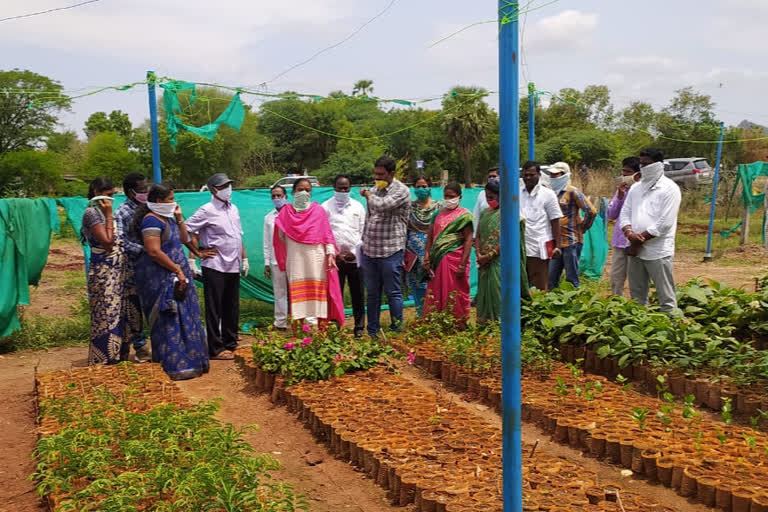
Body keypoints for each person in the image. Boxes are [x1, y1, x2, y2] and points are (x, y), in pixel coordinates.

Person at [132, 184, 209, 380]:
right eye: (170, 199)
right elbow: (153, 251)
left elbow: (184, 238)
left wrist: (179, 217)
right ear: (158, 201)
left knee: (187, 316)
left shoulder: (168, 218)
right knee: (169, 319)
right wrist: (176, 269)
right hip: (161, 277)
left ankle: (192, 361)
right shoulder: (150, 220)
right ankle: (173, 365)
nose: (173, 202)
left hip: (178, 275)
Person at [185, 173, 248, 361]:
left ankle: (230, 341)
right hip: (215, 264)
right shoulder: (206, 210)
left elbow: (238, 235)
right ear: (213, 190)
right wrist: (197, 253)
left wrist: (244, 258)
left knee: (232, 305)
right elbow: (186, 230)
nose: (227, 189)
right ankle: (215, 347)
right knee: (215, 307)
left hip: (233, 263)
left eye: (229, 185)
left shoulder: (233, 209)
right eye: (223, 186)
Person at [273, 178, 345, 327]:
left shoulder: (318, 211)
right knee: (298, 298)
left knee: (318, 297)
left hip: (316, 260)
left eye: (307, 190)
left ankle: (321, 332)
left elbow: (327, 235)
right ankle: (299, 333)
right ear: (293, 192)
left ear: (311, 193)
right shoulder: (285, 212)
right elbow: (280, 237)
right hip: (295, 259)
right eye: (300, 189)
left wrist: (331, 254)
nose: (304, 192)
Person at [620, 148, 681, 313]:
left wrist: (639, 239)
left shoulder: (670, 189)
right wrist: (629, 233)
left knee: (666, 296)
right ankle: (640, 328)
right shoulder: (636, 188)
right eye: (641, 163)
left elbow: (664, 223)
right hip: (635, 249)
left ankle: (671, 328)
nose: (643, 167)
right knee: (637, 296)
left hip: (657, 250)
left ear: (658, 165)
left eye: (647, 164)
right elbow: (624, 214)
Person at [360, 156, 411, 336]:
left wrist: (368, 195)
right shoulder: (376, 189)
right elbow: (370, 216)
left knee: (393, 292)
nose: (378, 177)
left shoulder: (401, 191)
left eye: (381, 174)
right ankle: (373, 330)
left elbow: (381, 206)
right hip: (371, 250)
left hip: (391, 249)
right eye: (376, 174)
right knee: (372, 293)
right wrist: (363, 242)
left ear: (391, 173)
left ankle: (396, 328)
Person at [81, 177, 130, 365]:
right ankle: (104, 360)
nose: (110, 200)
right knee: (106, 314)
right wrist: (109, 215)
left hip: (117, 272)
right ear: (96, 192)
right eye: (107, 195)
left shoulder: (105, 212)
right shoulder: (92, 213)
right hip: (103, 273)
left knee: (119, 314)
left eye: (112, 195)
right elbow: (108, 243)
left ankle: (119, 356)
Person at [113, 172, 151, 363]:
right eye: (142, 190)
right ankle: (140, 346)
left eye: (147, 189)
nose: (146, 192)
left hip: (152, 265)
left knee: (154, 304)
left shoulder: (149, 207)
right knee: (133, 308)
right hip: (132, 267)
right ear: (130, 192)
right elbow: (119, 239)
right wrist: (142, 249)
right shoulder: (121, 212)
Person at [423, 183, 473, 326]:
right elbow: (430, 237)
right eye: (446, 196)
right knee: (436, 291)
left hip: (456, 261)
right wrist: (426, 256)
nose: (449, 199)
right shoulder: (437, 214)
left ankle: (457, 323)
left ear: (459, 197)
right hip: (437, 261)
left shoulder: (465, 216)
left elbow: (469, 240)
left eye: (452, 196)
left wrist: (463, 264)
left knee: (455, 291)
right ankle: (436, 323)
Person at [322, 175, 366, 337]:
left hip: (355, 259)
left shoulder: (358, 207)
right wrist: (335, 254)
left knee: (358, 294)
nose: (343, 191)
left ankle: (359, 327)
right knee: (335, 294)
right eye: (340, 188)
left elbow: (363, 232)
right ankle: (336, 326)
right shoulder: (325, 207)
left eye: (346, 188)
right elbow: (324, 233)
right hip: (335, 259)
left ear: (350, 188)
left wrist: (353, 253)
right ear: (334, 188)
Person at [547, 162, 597, 289]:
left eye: (556, 174)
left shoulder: (573, 192)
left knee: (571, 277)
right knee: (551, 277)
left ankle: (573, 302)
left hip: (571, 240)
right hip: (556, 242)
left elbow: (591, 211)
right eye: (551, 175)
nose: (553, 177)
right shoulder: (550, 193)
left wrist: (583, 227)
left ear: (564, 175)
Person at [520, 161, 563, 291]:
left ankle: (537, 310)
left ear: (539, 175)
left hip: (540, 247)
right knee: (521, 282)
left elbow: (555, 220)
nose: (528, 178)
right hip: (520, 246)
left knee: (539, 284)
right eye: (525, 175)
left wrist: (558, 246)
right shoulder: (516, 193)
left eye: (531, 175)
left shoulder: (548, 194)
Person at [607, 157, 641, 296]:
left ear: (637, 174)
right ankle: (616, 303)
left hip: (637, 238)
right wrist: (620, 196)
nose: (625, 176)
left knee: (637, 277)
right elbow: (611, 214)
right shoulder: (622, 190)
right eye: (624, 172)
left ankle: (637, 304)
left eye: (628, 172)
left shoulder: (643, 191)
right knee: (616, 276)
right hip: (621, 240)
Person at [405, 175, 440, 316]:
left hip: (432, 250)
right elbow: (405, 229)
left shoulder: (438, 207)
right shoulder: (409, 207)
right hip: (412, 252)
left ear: (430, 187)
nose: (421, 189)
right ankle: (422, 315)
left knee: (432, 282)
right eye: (418, 186)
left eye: (424, 186)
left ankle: (435, 314)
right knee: (416, 283)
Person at [263, 185, 290, 330]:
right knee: (280, 292)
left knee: (296, 290)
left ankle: (301, 321)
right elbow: (266, 242)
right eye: (273, 196)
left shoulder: (293, 213)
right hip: (275, 260)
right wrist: (267, 263)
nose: (276, 198)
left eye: (279, 195)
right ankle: (280, 322)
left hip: (293, 259)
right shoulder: (268, 217)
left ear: (286, 196)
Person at [472, 167, 500, 237]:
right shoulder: (482, 193)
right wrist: (474, 235)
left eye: (494, 176)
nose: (491, 178)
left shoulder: (507, 193)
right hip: (484, 232)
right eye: (489, 177)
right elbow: (476, 214)